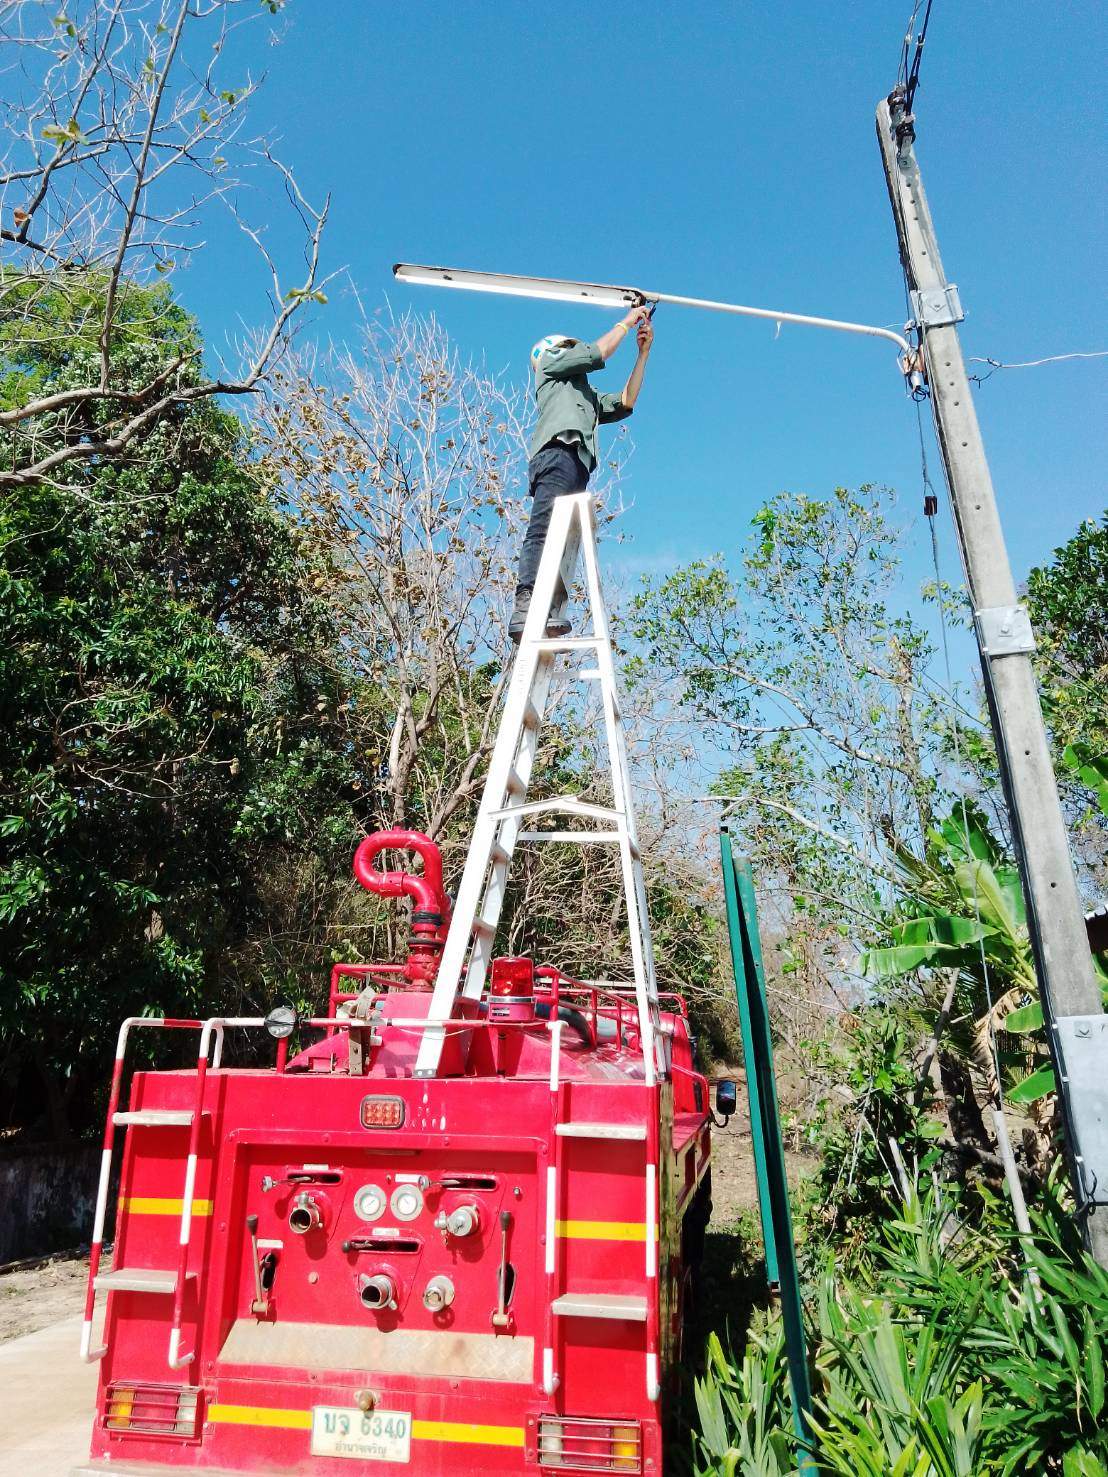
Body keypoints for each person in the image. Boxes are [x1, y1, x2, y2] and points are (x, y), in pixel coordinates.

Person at [508, 304, 654, 641]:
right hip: (557, 453)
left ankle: (548, 609)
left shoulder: (585, 395)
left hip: (578, 466)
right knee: (543, 530)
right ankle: (526, 604)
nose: (574, 351)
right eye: (569, 347)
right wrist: (627, 321)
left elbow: (626, 401)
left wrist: (643, 354)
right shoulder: (550, 365)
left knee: (561, 543)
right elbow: (597, 353)